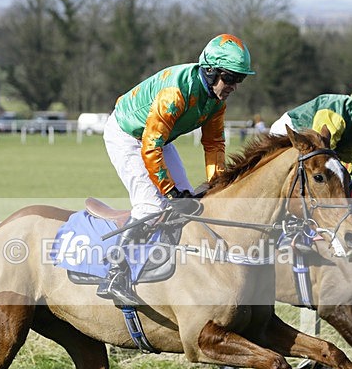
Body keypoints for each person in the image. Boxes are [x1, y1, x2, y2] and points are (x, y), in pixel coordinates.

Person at [97, 34, 255, 306]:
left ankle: (173, 265)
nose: (234, 86)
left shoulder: (216, 101)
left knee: (192, 204)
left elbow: (214, 143)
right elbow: (150, 146)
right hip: (129, 136)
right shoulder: (176, 93)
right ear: (210, 71)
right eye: (229, 78)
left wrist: (216, 185)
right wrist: (170, 193)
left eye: (239, 80)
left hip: (160, 139)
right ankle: (113, 274)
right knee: (151, 206)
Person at [269, 73, 352, 173]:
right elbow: (322, 155)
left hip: (315, 148)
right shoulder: (337, 114)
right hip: (289, 133)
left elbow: (347, 154)